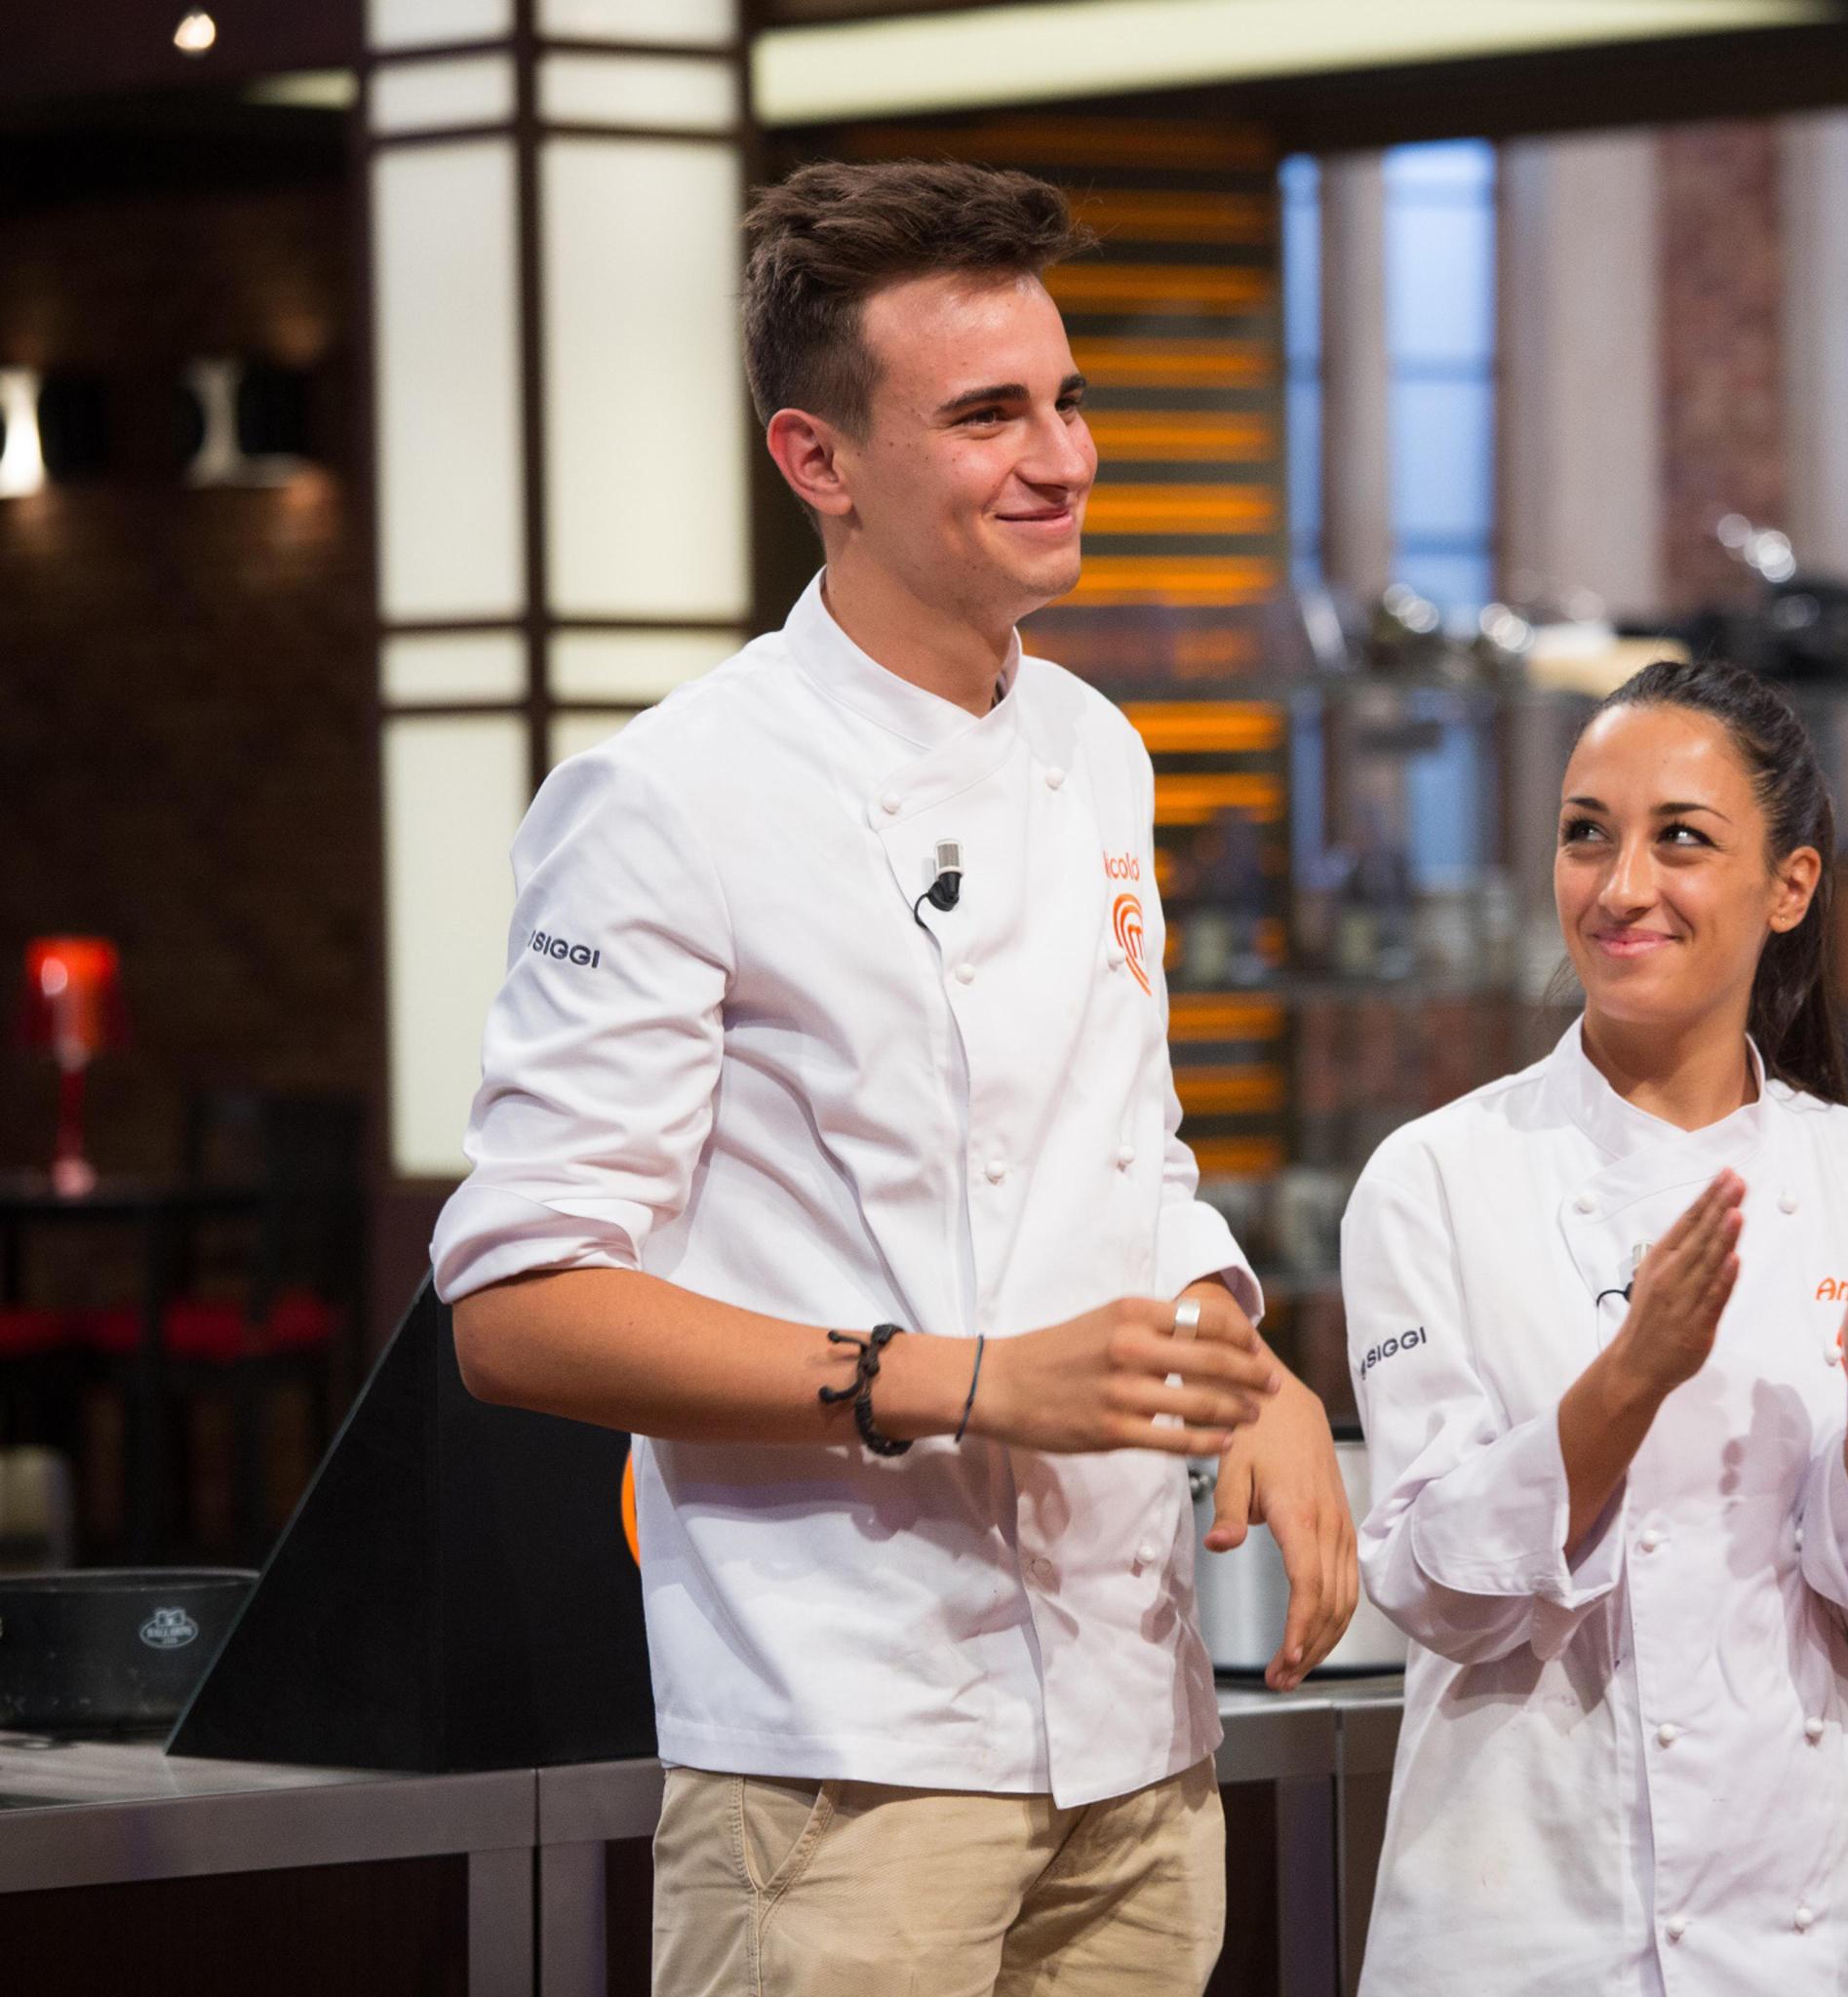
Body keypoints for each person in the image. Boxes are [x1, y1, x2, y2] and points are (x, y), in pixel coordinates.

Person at [430, 160, 1357, 1997]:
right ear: (819, 460)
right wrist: (964, 1383)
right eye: (988, 415)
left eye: (1068, 400)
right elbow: (519, 1306)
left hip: (1136, 1727)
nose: (1062, 458)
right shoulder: (669, 798)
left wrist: (1243, 1362)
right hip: (841, 1756)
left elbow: (1131, 1153)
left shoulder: (1098, 749)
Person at [1341, 658, 1848, 1995]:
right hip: (1531, 1911)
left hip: (1821, 1921)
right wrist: (1629, 1379)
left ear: (1790, 887)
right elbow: (1431, 1583)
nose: (1621, 886)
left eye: (1680, 840)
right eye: (1588, 834)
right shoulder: (1438, 1178)